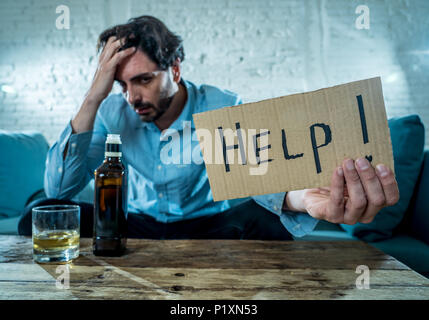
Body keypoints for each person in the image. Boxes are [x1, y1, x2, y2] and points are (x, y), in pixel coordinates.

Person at [18, 15, 399, 240]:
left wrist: (300, 199)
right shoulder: (113, 112)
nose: (132, 96)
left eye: (144, 80)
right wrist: (93, 96)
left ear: (176, 70)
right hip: (137, 225)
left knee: (260, 218)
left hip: (208, 225)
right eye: (122, 85)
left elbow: (262, 172)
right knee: (42, 209)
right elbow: (61, 187)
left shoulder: (221, 105)